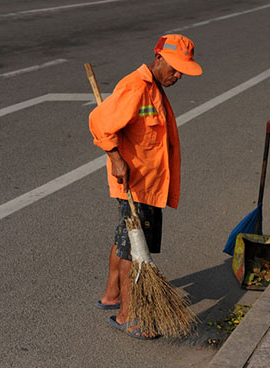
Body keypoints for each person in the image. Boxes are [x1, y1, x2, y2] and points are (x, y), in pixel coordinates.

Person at [88, 34, 202, 339]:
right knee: (134, 252)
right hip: (136, 186)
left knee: (126, 240)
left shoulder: (153, 88)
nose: (178, 76)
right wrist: (114, 157)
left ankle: (112, 295)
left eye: (182, 72)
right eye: (175, 69)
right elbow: (99, 123)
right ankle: (130, 316)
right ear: (159, 58)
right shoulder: (137, 87)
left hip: (148, 185)